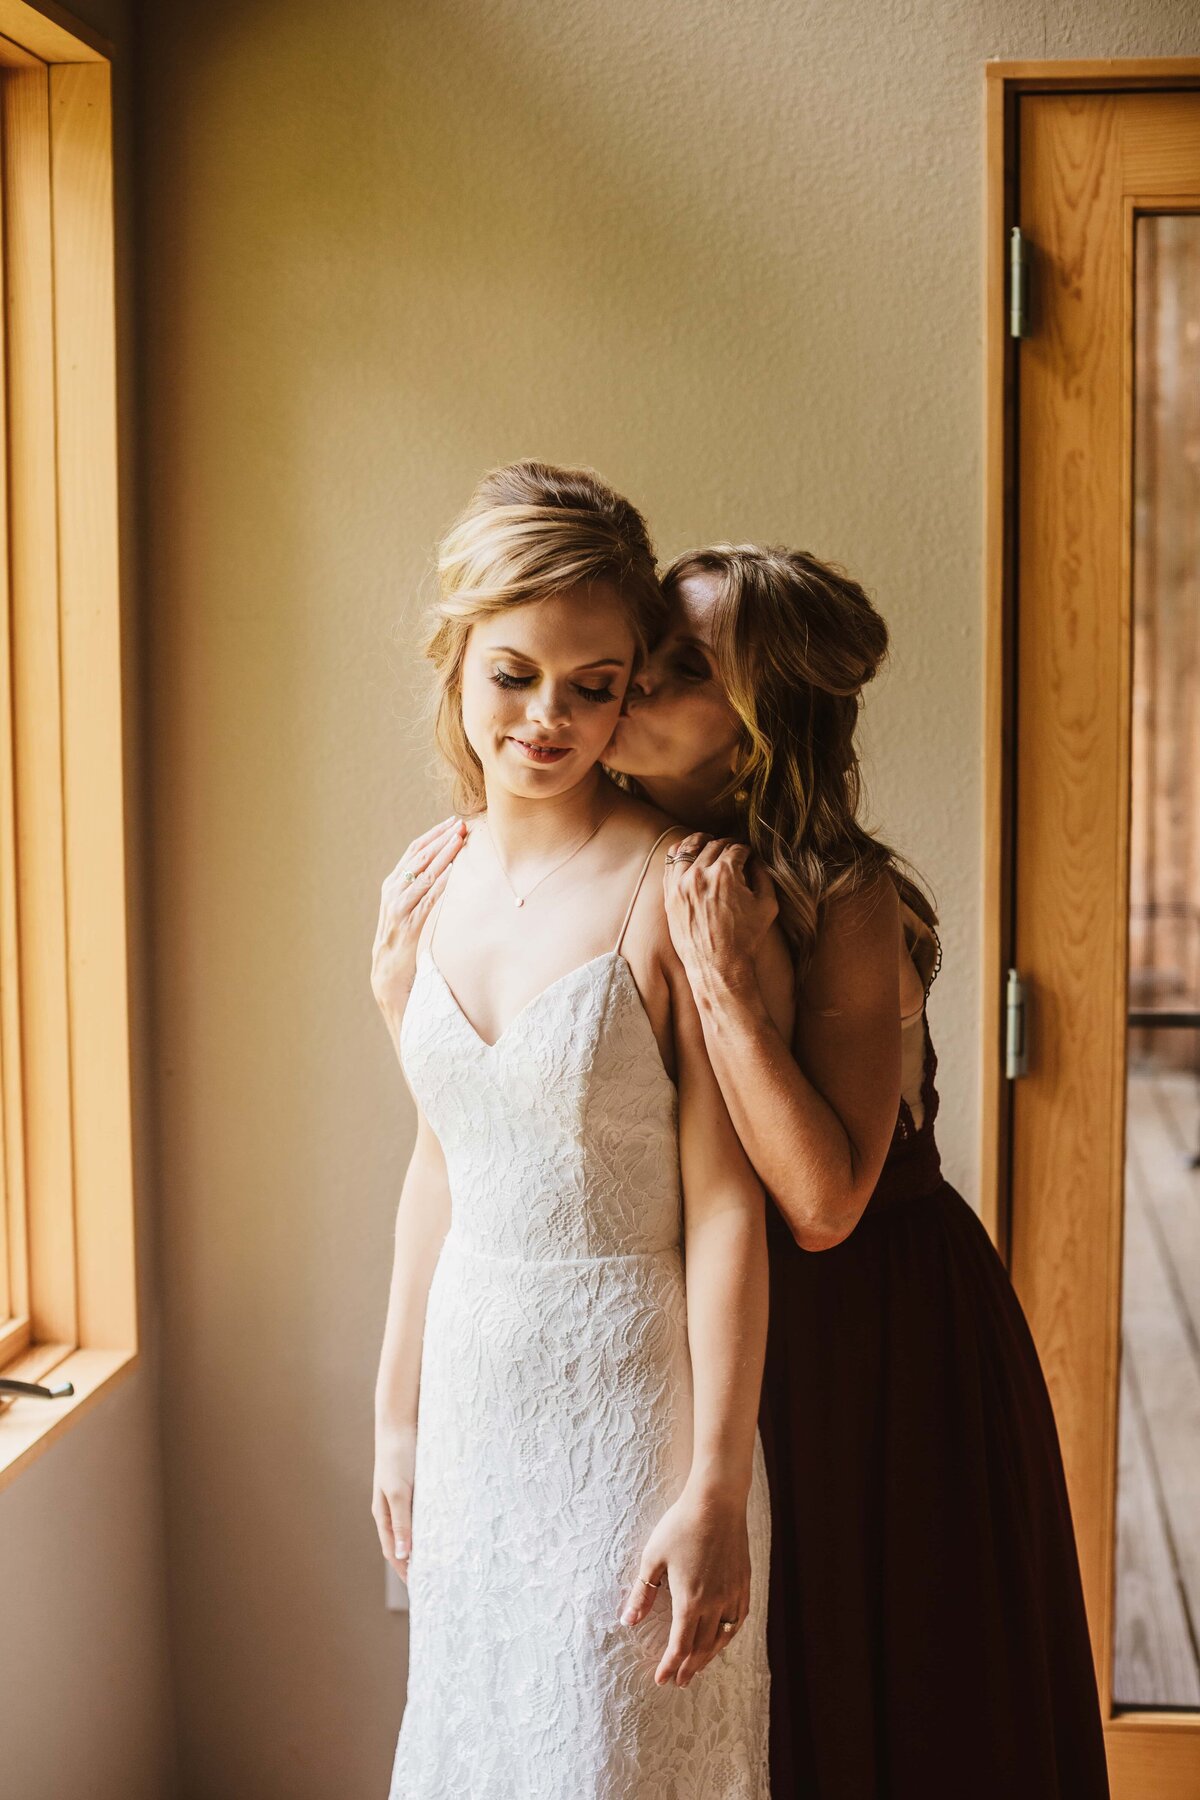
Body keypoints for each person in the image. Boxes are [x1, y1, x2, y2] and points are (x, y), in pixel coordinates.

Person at [603, 543, 1112, 1800]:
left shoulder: (846, 894)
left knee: (905, 1695)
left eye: (678, 670)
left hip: (878, 1339)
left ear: (760, 721)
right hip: (720, 1333)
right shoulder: (620, 852)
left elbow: (827, 1202)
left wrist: (723, 984)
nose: (630, 689)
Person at [369, 467, 790, 1799]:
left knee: (609, 1759)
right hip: (474, 1407)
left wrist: (715, 1484)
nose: (549, 716)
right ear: (458, 662)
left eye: (593, 684)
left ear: (628, 691)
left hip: (632, 1412)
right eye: (514, 675)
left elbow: (728, 1210)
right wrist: (394, 1424)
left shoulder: (676, 888)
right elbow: (438, 1162)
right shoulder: (424, 889)